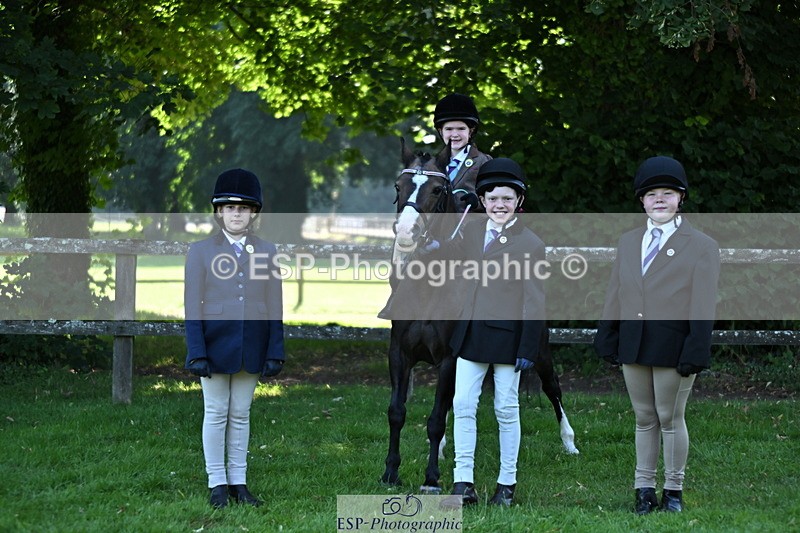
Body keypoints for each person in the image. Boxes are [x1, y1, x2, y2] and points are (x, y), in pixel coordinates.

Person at [594, 156, 720, 515]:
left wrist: (697, 347)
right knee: (643, 417)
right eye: (651, 194)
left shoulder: (701, 245)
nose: (659, 199)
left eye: (668, 193)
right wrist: (607, 333)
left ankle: (673, 490)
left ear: (681, 198)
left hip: (674, 346)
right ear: (642, 201)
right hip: (634, 342)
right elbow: (616, 291)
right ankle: (644, 489)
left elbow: (703, 303)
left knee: (670, 417)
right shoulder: (629, 241)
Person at [446, 158, 546, 507]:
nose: (499, 205)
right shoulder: (473, 232)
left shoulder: (530, 243)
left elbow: (534, 300)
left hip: (509, 338)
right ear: (483, 200)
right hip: (472, 333)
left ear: (519, 201)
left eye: (507, 198)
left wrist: (529, 347)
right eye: (492, 198)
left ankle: (506, 484)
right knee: (462, 404)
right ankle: (463, 482)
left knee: (505, 407)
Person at [184, 168, 285, 509]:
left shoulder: (267, 251)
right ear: (219, 212)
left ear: (253, 212)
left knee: (241, 413)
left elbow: (274, 306)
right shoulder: (200, 251)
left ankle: (239, 482)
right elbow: (192, 307)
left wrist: (275, 351)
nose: (236, 214)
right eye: (229, 208)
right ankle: (217, 482)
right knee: (216, 412)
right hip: (213, 346)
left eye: (243, 208)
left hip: (253, 345)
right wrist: (196, 351)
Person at [432, 93, 492, 212]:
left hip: (472, 222)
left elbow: (495, 197)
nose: (455, 134)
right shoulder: (433, 165)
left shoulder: (484, 162)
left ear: (471, 131)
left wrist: (477, 203)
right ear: (441, 131)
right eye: (449, 129)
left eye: (461, 129)